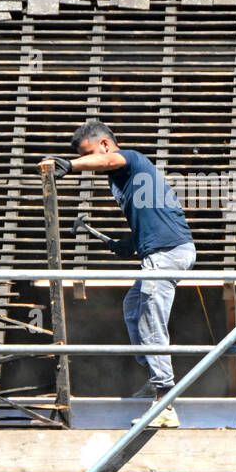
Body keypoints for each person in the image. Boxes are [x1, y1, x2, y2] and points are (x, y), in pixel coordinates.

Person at [42, 120, 195, 427]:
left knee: (152, 318)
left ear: (105, 145)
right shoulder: (121, 180)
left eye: (89, 154)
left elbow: (110, 159)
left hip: (168, 253)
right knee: (133, 309)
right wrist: (130, 244)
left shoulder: (131, 159)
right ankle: (155, 376)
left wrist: (70, 166)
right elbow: (153, 215)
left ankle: (165, 401)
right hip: (158, 251)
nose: (91, 163)